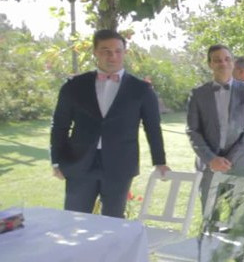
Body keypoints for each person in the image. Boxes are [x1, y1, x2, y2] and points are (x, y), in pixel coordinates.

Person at [50, 29, 170, 218]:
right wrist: (56, 160)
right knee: (74, 220)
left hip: (120, 165)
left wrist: (160, 161)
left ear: (124, 52)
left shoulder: (142, 90)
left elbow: (153, 128)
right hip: (79, 163)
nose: (112, 56)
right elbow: (60, 126)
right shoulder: (74, 86)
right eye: (105, 50)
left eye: (117, 50)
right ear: (95, 52)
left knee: (113, 222)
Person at [186, 45, 244, 262]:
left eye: (227, 59)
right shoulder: (198, 94)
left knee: (241, 217)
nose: (223, 63)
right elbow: (192, 130)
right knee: (210, 216)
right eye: (217, 60)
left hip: (241, 166)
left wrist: (229, 159)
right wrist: (211, 159)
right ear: (210, 64)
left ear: (233, 63)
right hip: (209, 167)